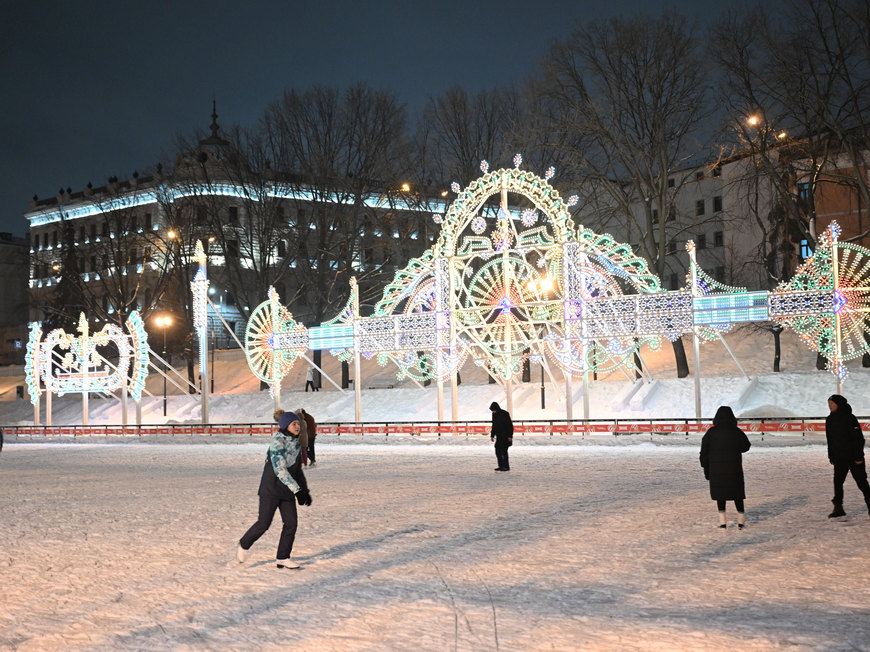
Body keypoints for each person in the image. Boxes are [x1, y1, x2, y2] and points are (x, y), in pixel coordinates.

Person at [237, 411, 312, 569]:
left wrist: (304, 491)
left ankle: (283, 557)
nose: (298, 426)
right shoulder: (277, 441)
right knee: (263, 523)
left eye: (298, 423)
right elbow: (280, 469)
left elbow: (296, 471)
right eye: (294, 424)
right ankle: (244, 544)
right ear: (285, 425)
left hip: (287, 489)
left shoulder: (296, 443)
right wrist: (297, 490)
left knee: (291, 523)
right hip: (271, 488)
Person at [700, 405, 751, 529]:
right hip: (734, 470)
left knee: (720, 494)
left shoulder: (711, 433)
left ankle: (723, 522)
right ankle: (741, 521)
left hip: (716, 471)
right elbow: (746, 446)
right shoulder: (736, 431)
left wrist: (706, 469)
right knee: (737, 494)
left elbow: (704, 453)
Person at [825, 394, 870, 518]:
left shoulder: (849, 418)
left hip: (853, 457)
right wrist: (831, 456)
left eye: (832, 404)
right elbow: (830, 440)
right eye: (829, 404)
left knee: (861, 482)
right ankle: (838, 508)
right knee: (837, 482)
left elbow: (858, 439)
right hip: (839, 458)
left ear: (839, 404)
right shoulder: (830, 419)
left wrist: (859, 457)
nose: (830, 406)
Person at [490, 401, 513, 471]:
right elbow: (494, 425)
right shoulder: (494, 415)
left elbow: (510, 426)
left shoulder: (505, 414)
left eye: (493, 410)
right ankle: (501, 465)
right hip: (499, 437)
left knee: (504, 452)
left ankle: (506, 466)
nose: (493, 412)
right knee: (497, 451)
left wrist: (510, 436)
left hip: (505, 436)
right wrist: (492, 435)